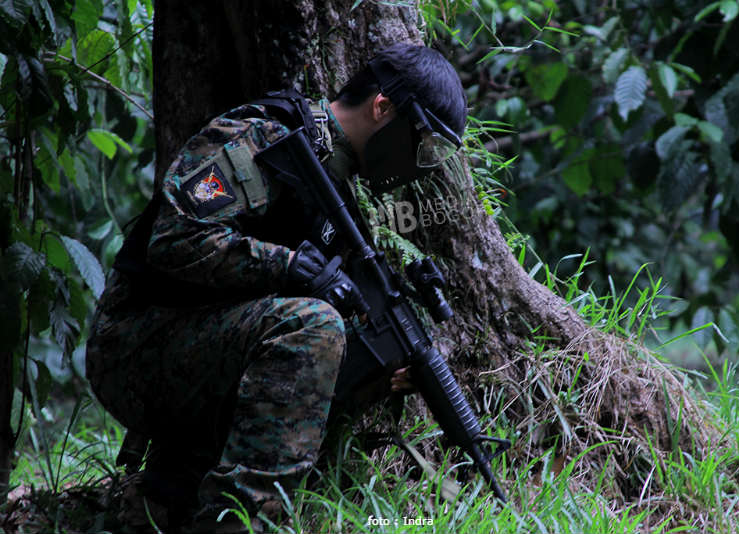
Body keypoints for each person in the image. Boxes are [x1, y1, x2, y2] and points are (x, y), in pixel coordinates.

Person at [86, 42, 467, 532]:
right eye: (425, 145)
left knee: (328, 334)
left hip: (199, 357)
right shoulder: (267, 137)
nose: (422, 162)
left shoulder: (344, 198)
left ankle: (174, 495)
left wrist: (379, 367)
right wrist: (292, 266)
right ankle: (237, 524)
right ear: (383, 107)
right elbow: (173, 238)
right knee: (314, 326)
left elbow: (299, 370)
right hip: (132, 345)